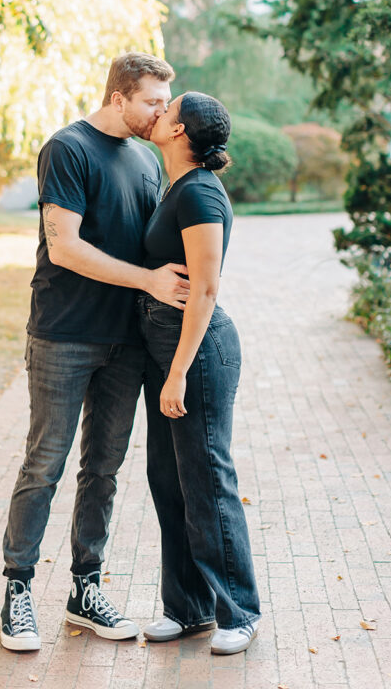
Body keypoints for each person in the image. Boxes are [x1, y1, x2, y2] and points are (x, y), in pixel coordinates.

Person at [0, 52, 191, 652]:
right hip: (63, 331)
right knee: (44, 464)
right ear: (118, 97)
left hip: (127, 340)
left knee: (103, 471)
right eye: (153, 102)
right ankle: (17, 592)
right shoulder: (68, 148)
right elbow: (66, 248)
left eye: (166, 102)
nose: (163, 114)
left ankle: (86, 589)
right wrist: (150, 281)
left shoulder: (145, 158)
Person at [137, 91, 261, 656]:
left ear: (180, 129)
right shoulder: (178, 185)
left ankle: (238, 610)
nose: (156, 112)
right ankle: (186, 609)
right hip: (169, 349)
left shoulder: (202, 192)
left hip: (198, 353)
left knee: (208, 482)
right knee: (169, 480)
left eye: (166, 109)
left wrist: (178, 372)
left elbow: (206, 290)